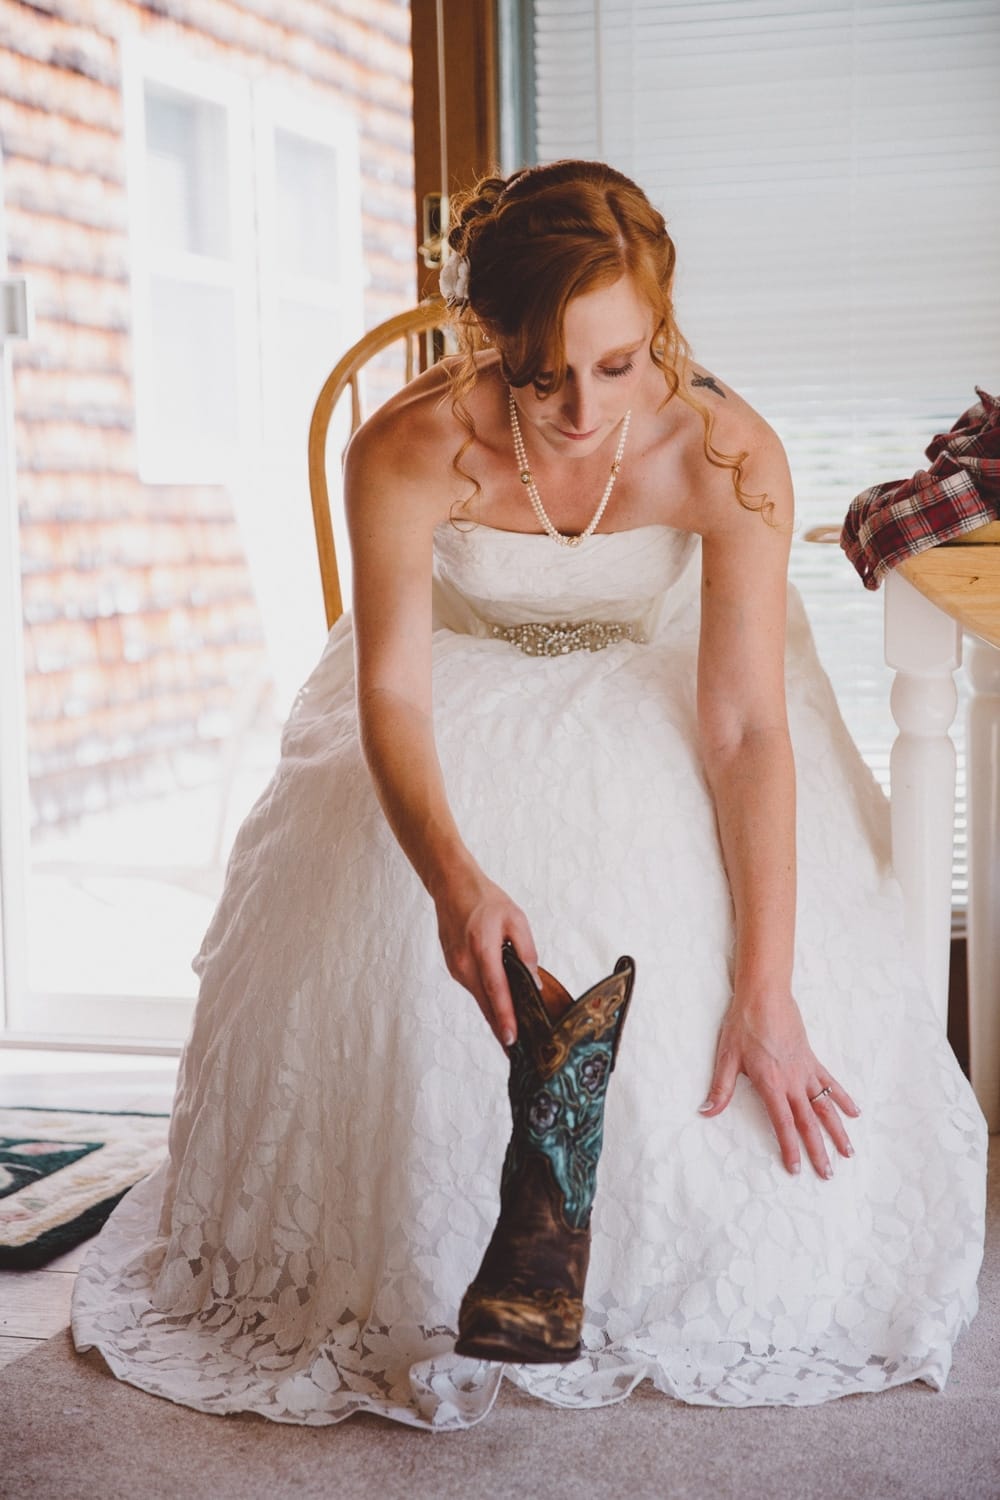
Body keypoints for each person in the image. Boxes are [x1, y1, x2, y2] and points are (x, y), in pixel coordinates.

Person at [71, 160, 987, 1429]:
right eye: (536, 371)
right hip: (459, 686)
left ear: (657, 330)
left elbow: (740, 727)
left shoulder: (724, 451)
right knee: (390, 926)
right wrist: (454, 882)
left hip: (660, 691)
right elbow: (392, 695)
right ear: (481, 337)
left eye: (615, 367)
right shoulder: (403, 448)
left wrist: (765, 984)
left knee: (679, 891)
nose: (574, 409)